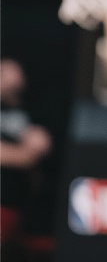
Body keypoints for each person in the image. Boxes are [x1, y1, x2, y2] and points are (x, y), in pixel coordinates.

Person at [0, 59, 52, 261]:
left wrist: (20, 155)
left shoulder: (31, 111)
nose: (10, 80)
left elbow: (41, 146)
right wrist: (23, 154)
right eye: (4, 74)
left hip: (20, 207)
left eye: (15, 75)